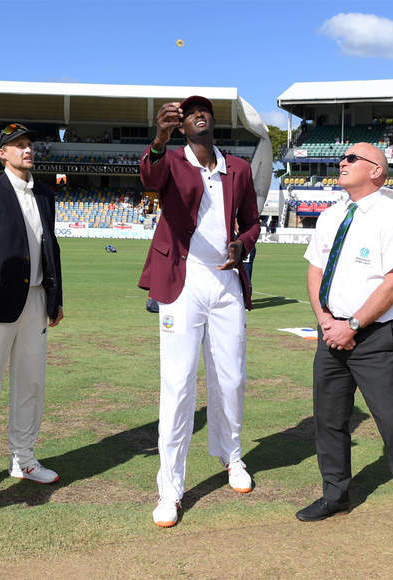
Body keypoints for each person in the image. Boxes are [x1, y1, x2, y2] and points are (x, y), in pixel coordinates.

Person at [300, 143, 393, 562]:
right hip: (331, 334)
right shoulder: (331, 214)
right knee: (329, 421)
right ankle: (335, 494)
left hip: (374, 338)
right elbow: (314, 270)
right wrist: (326, 321)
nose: (341, 163)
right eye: (341, 158)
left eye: (351, 159)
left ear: (376, 171)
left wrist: (353, 326)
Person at [139, 96, 260, 527]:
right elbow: (148, 178)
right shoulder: (170, 161)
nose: (197, 115)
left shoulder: (239, 169)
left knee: (232, 377)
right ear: (183, 125)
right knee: (178, 384)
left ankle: (232, 456)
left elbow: (252, 223)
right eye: (189, 112)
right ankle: (169, 489)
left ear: (212, 121)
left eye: (203, 110)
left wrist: (241, 245)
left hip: (225, 281)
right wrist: (160, 137)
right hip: (182, 280)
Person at [0, 123, 64, 499]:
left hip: (36, 302)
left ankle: (24, 459)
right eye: (18, 145)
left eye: (29, 144)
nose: (27, 150)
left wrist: (56, 298)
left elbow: (49, 248)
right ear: (1, 153)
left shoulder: (46, 196)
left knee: (31, 384)